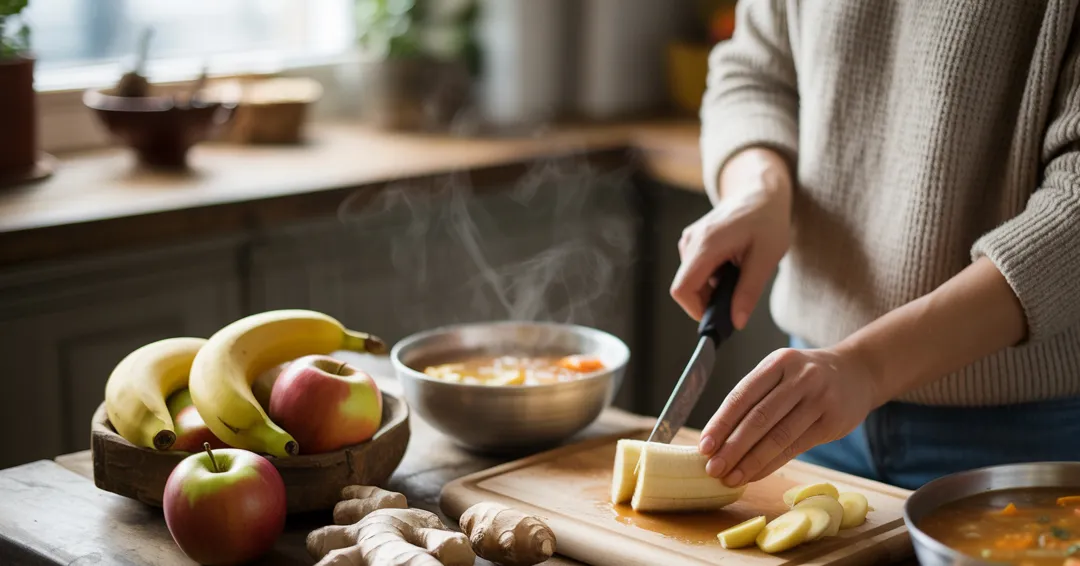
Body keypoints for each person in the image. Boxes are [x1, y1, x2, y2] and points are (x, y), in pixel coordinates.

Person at [672, 0, 1080, 491]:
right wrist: (759, 188)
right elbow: (753, 73)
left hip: (1020, 439)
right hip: (809, 415)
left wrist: (868, 367)